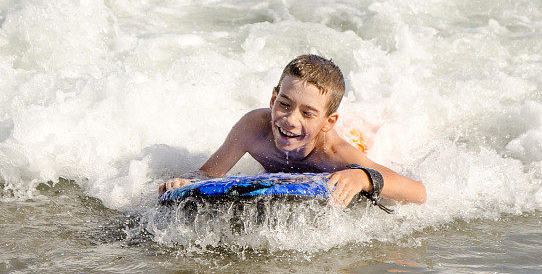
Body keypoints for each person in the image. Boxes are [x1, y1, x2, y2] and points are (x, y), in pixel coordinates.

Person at [159, 54, 427, 208]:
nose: (290, 120)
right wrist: (184, 182)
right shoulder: (253, 128)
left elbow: (418, 192)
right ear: (273, 97)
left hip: (356, 137)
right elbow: (207, 173)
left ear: (328, 121)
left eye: (307, 113)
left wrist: (362, 178)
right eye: (284, 104)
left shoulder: (335, 154)